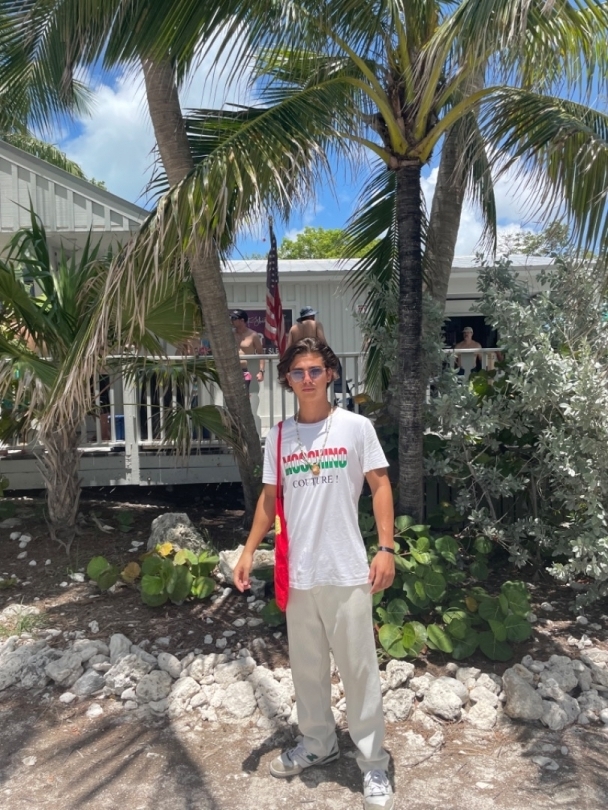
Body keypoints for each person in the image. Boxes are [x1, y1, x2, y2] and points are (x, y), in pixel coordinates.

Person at [233, 337, 396, 810]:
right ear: (287, 379)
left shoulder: (356, 427)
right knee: (306, 670)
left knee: (359, 670)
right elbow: (269, 500)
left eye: (315, 370)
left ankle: (373, 761)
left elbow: (380, 486)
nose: (307, 379)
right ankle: (319, 743)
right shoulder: (279, 436)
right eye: (298, 372)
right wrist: (248, 551)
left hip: (346, 570)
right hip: (298, 574)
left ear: (330, 374)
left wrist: (386, 548)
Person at [230, 309, 265, 389]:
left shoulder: (253, 335)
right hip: (232, 370)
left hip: (247, 370)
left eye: (234, 318)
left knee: (246, 394)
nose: (232, 320)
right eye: (231, 318)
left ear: (242, 320)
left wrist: (261, 371)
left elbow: (261, 354)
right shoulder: (230, 334)